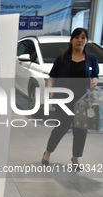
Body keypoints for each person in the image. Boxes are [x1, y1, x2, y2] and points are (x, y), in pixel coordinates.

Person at [42, 28, 99, 169]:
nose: (80, 40)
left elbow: (95, 75)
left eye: (83, 37)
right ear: (71, 40)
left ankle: (75, 158)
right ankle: (47, 153)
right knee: (61, 128)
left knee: (81, 130)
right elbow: (52, 76)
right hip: (64, 99)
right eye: (77, 37)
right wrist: (50, 89)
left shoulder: (91, 58)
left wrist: (95, 80)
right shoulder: (62, 58)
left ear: (86, 41)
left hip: (83, 101)